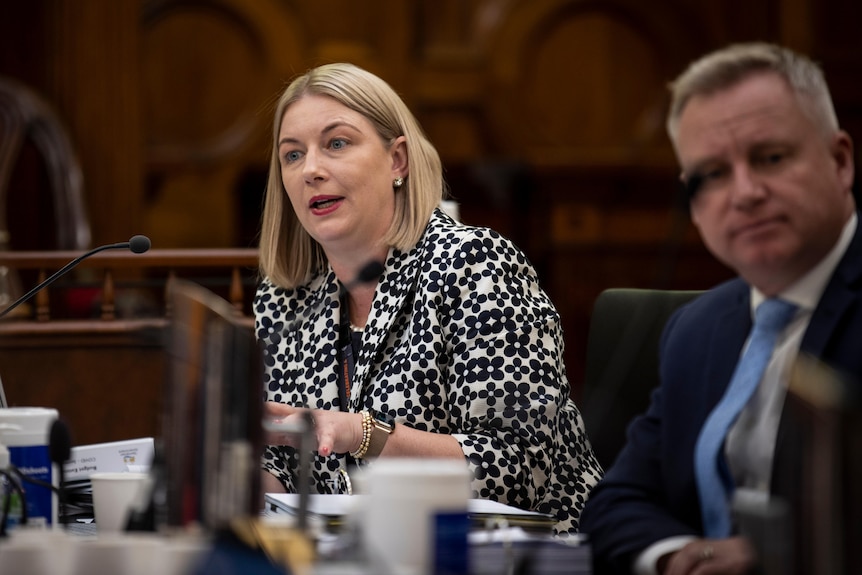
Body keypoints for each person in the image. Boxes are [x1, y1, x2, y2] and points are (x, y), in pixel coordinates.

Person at [254, 62, 602, 535]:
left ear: (397, 160)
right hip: (363, 555)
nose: (311, 169)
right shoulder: (286, 297)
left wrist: (360, 433)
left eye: (336, 143)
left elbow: (515, 471)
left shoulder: (473, 264)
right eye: (292, 155)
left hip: (517, 553)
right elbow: (286, 470)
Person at [580, 42, 862, 574]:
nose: (745, 192)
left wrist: (775, 561)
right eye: (711, 174)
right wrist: (679, 557)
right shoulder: (695, 328)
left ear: (840, 161)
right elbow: (615, 504)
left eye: (770, 158)